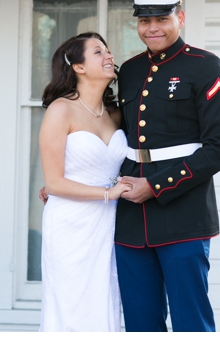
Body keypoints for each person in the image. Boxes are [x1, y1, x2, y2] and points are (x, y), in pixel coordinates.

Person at [114, 0, 220, 331]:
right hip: (131, 220)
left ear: (180, 18)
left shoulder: (205, 66)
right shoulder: (131, 70)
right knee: (140, 323)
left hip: (184, 212)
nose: (152, 28)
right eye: (144, 21)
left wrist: (154, 186)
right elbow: (118, 137)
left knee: (190, 322)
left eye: (162, 19)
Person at [38, 32, 132, 331]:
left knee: (104, 303)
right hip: (70, 223)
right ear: (78, 67)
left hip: (110, 224)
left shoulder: (116, 114)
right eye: (97, 52)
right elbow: (53, 183)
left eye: (108, 50)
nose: (109, 56)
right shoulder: (61, 110)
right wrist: (110, 193)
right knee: (71, 306)